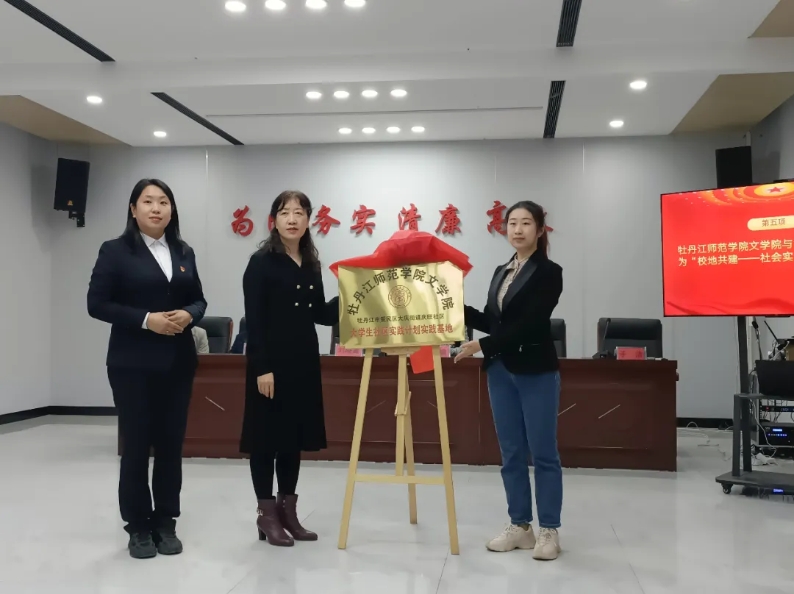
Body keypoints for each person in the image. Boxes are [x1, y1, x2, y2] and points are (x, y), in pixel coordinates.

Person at [87, 179, 207, 559]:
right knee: (137, 446)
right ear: (133, 208)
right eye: (148, 201)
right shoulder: (115, 251)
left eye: (164, 202)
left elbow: (199, 299)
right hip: (132, 365)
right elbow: (96, 304)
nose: (156, 208)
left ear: (172, 210)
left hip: (178, 362)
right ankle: (138, 526)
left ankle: (166, 521)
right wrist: (145, 319)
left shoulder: (183, 251)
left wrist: (189, 313)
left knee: (171, 445)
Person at [454, 200, 563, 561]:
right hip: (501, 371)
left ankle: (549, 529)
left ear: (540, 230)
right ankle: (520, 526)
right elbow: (493, 321)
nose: (517, 229)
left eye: (526, 223)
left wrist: (482, 345)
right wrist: (451, 306)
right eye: (512, 223)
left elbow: (531, 324)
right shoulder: (502, 271)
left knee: (543, 452)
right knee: (511, 453)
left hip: (536, 371)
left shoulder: (549, 272)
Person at [241, 190, 339, 547]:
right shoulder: (261, 262)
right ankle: (266, 515)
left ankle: (288, 514)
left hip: (303, 361)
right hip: (270, 364)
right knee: (265, 441)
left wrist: (354, 295)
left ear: (309, 220)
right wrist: (262, 368)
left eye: (299, 213)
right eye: (285, 213)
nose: (292, 219)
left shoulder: (311, 262)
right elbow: (254, 320)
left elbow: (319, 313)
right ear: (274, 220)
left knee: (292, 440)